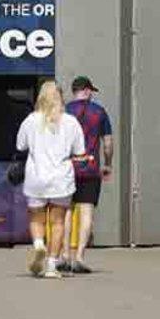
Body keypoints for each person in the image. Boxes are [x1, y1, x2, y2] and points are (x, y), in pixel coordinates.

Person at [16, 81, 85, 279]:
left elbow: (20, 145)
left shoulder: (31, 120)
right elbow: (79, 151)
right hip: (61, 180)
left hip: (36, 178)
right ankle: (52, 266)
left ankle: (39, 245)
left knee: (36, 218)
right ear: (61, 97)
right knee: (57, 223)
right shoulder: (71, 122)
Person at [60, 76, 114, 274]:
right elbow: (108, 143)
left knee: (65, 210)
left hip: (67, 169)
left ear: (74, 91)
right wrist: (108, 164)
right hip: (90, 169)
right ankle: (80, 257)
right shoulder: (99, 112)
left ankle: (64, 254)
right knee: (86, 211)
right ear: (88, 90)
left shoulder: (64, 112)